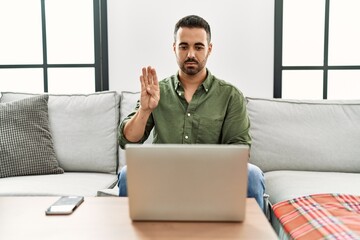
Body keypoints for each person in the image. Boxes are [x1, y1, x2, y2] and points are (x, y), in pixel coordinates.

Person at [117, 15, 265, 210]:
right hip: (164, 176)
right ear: (174, 48)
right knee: (128, 174)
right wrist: (144, 110)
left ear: (209, 49)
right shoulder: (157, 91)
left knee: (252, 175)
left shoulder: (230, 95)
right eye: (184, 46)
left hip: (215, 178)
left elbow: (240, 150)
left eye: (198, 47)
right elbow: (127, 140)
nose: (191, 54)